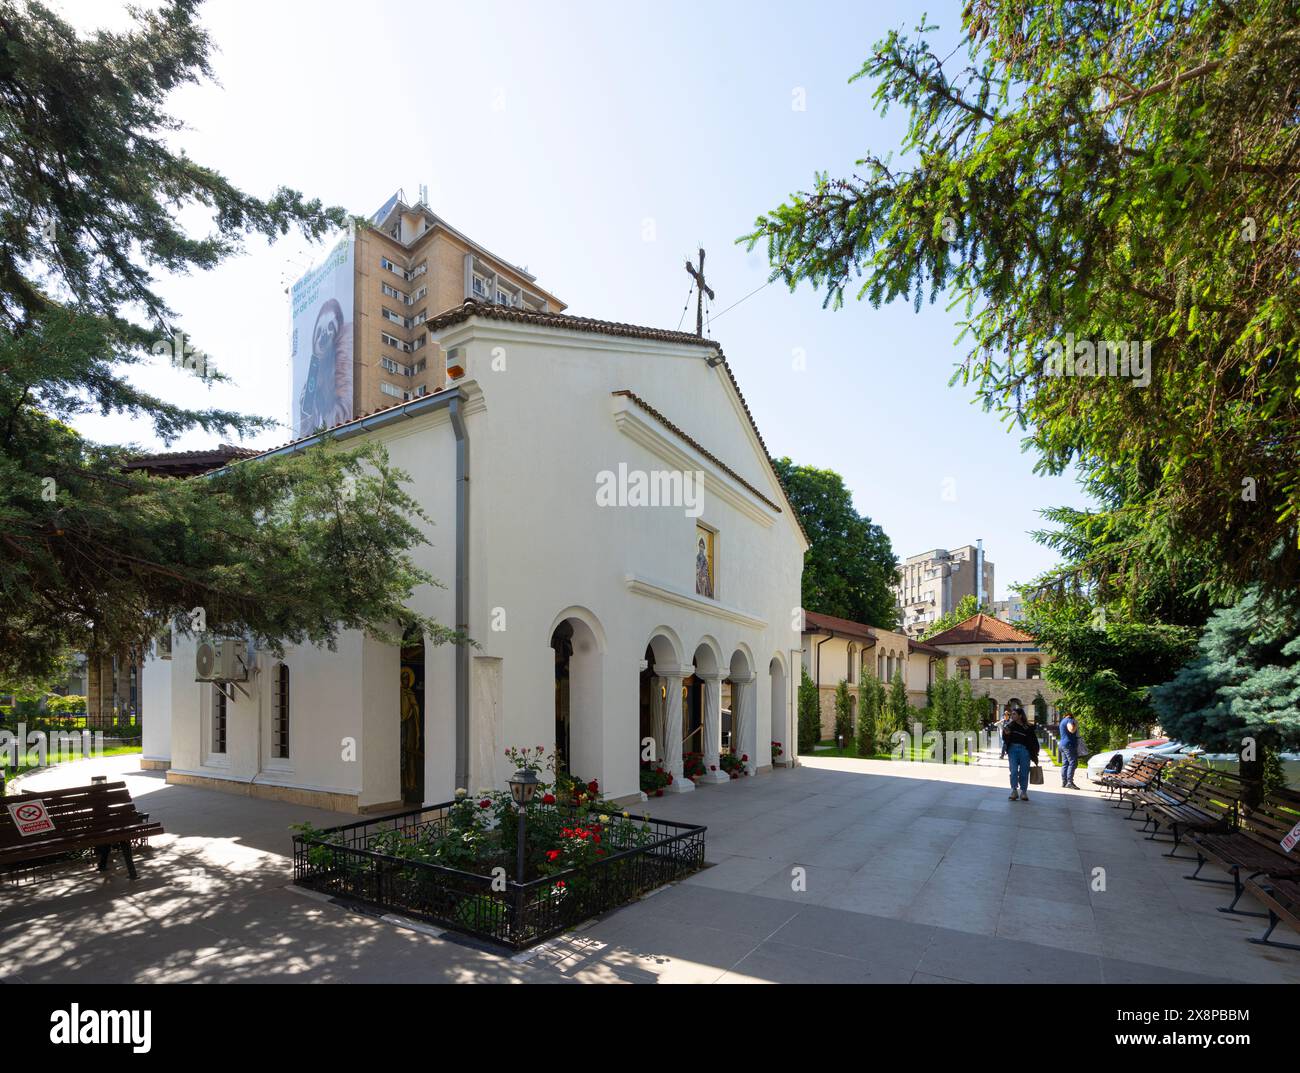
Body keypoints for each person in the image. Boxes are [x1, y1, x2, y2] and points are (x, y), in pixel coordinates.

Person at [1004, 709, 1040, 801]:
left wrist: (1035, 753)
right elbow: (1005, 737)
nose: (1012, 716)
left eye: (1014, 714)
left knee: (1024, 771)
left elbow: (1033, 740)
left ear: (1020, 716)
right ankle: (1014, 790)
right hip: (1013, 749)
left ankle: (1023, 791)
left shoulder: (1028, 727)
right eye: (1011, 714)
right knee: (1014, 771)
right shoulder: (1010, 726)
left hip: (1025, 750)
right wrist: (1006, 734)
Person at [1059, 710, 1081, 789]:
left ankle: (1064, 781)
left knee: (1065, 763)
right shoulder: (1070, 720)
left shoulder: (1063, 721)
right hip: (1069, 745)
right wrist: (1075, 725)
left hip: (1063, 744)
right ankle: (1069, 782)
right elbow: (1071, 730)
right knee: (1073, 763)